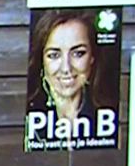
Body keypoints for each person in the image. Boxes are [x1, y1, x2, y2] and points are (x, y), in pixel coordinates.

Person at [26, 9, 117, 147]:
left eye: (78, 53)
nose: (66, 68)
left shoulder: (108, 115)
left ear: (92, 57)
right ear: (42, 60)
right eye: (54, 55)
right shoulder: (28, 115)